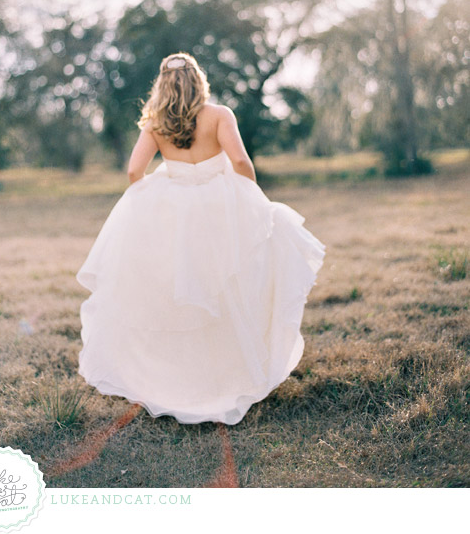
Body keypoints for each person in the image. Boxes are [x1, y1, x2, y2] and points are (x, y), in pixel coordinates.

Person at [76, 51, 325, 425]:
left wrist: (155, 199)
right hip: (220, 206)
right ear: (199, 80)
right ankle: (231, 372)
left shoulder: (155, 124)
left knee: (178, 295)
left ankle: (178, 379)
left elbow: (133, 171)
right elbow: (241, 163)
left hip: (175, 213)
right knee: (228, 288)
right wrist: (250, 200)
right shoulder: (219, 115)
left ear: (161, 85)